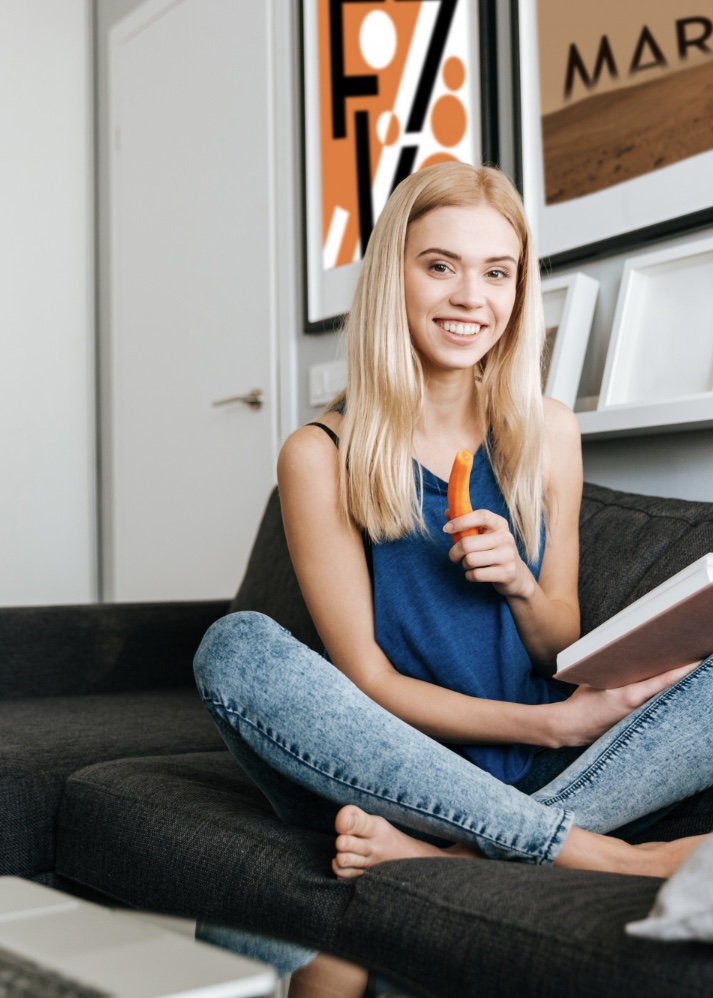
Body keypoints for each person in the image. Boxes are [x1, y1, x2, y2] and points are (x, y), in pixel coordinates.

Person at [193, 162, 713, 997]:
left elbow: (560, 641)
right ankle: (596, 854)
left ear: (516, 290)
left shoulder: (545, 431)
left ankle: (461, 853)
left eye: (495, 272)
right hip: (397, 770)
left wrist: (517, 583)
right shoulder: (319, 454)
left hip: (544, 767)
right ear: (392, 275)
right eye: (440, 265)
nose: (471, 296)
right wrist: (556, 727)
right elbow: (364, 677)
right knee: (237, 649)